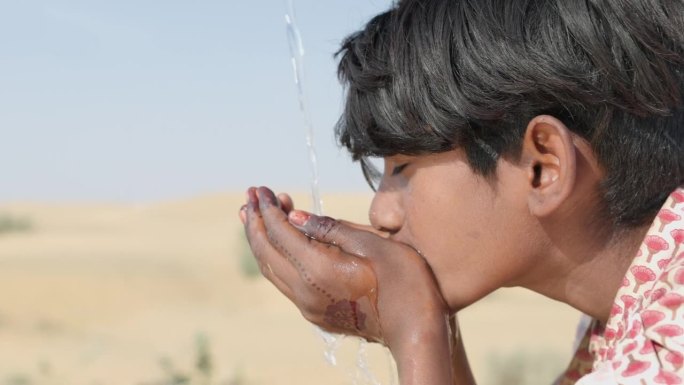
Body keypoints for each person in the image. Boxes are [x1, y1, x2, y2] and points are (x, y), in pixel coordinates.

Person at [239, 0, 683, 383]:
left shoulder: (663, 363)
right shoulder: (643, 313)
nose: (381, 213)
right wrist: (423, 315)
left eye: (404, 169)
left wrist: (415, 332)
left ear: (542, 167)